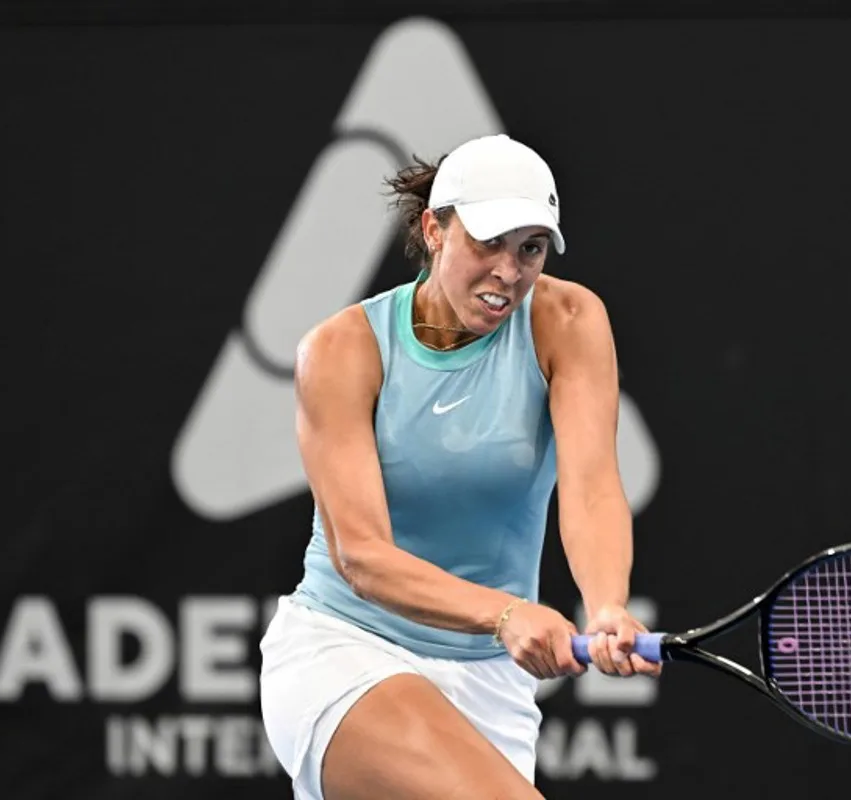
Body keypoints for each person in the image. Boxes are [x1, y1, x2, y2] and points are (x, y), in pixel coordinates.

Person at [259, 133, 660, 800]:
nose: (509, 269)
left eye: (530, 247)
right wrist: (505, 614)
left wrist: (607, 605)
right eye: (489, 243)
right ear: (434, 229)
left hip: (490, 680)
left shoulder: (569, 319)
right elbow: (362, 557)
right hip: (349, 651)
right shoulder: (339, 351)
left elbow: (590, 488)